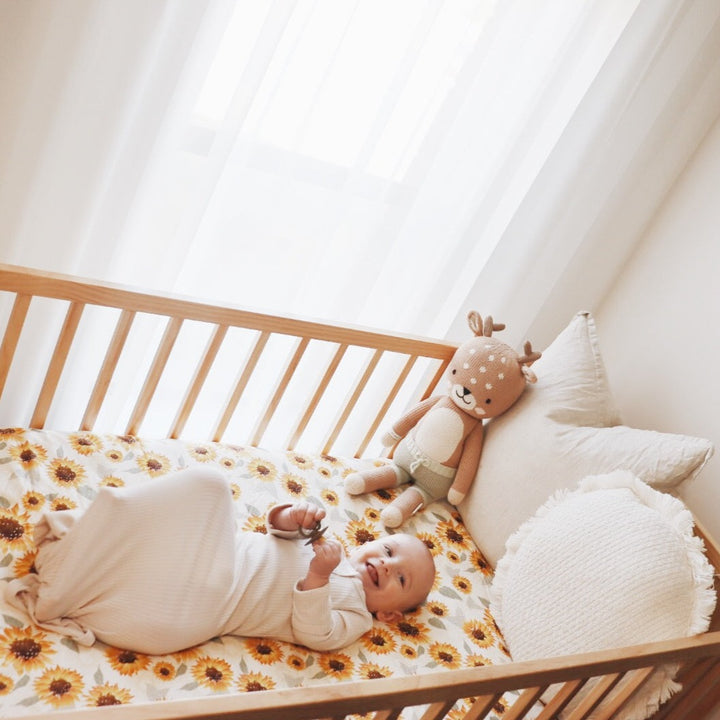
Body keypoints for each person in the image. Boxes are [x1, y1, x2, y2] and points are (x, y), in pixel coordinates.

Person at [5, 468, 435, 655]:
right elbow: (277, 530)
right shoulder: (331, 545)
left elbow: (315, 633)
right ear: (369, 544)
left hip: (204, 607)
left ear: (392, 614)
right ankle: (76, 561)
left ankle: (65, 589)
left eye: (401, 577)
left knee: (210, 487)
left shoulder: (357, 617)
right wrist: (294, 515)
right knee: (205, 490)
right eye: (389, 550)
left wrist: (318, 576)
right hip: (204, 560)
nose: (387, 564)